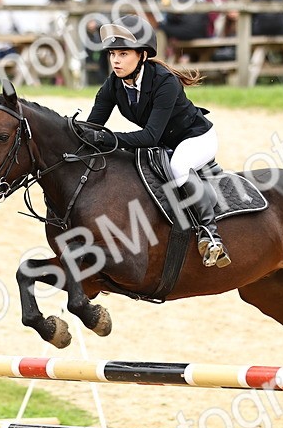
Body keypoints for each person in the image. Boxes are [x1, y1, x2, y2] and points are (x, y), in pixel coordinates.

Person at [79, 15, 229, 268]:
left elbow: (150, 137)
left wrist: (106, 139)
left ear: (143, 56)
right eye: (112, 54)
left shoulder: (165, 82)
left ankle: (211, 234)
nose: (115, 60)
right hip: (165, 143)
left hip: (196, 138)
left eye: (123, 54)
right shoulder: (113, 84)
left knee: (178, 168)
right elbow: (93, 126)